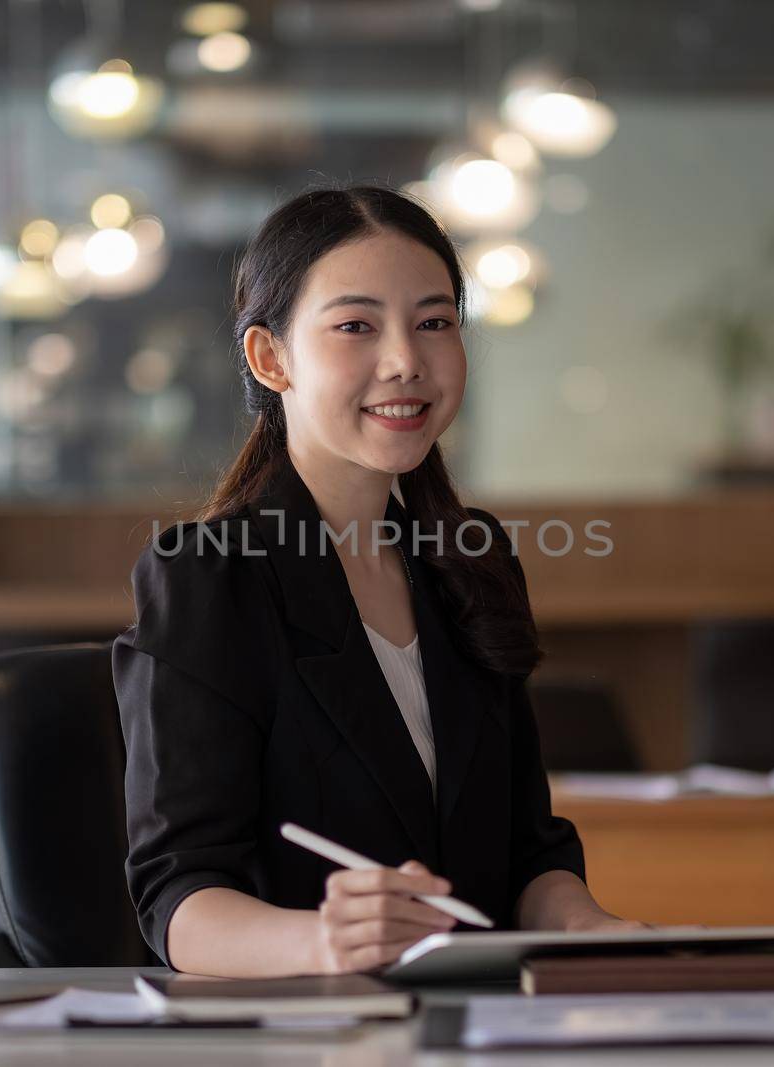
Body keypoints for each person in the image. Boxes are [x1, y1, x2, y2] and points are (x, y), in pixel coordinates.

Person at [112, 184, 639, 978]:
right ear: (271, 357)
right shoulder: (210, 577)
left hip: (478, 1028)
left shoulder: (472, 557)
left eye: (435, 323)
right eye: (356, 326)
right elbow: (180, 898)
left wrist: (590, 927)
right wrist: (326, 942)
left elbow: (529, 851)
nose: (406, 362)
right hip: (301, 1035)